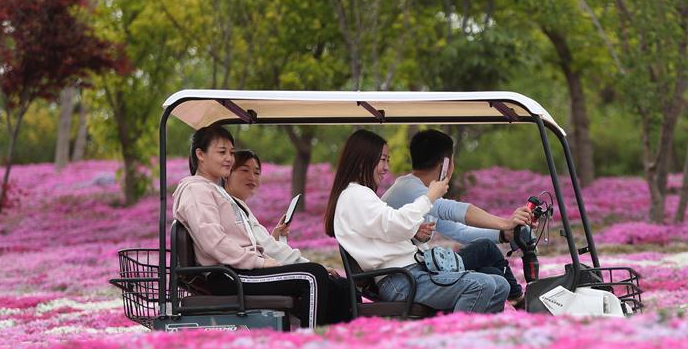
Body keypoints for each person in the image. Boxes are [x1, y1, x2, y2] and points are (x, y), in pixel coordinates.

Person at [324, 129, 525, 314]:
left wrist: (415, 235)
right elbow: (395, 223)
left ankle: (475, 340)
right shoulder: (356, 195)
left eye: (388, 160)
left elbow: (388, 230)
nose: (387, 167)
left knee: (500, 285)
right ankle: (454, 343)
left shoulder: (360, 195)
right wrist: (429, 197)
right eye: (383, 160)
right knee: (483, 284)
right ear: (362, 161)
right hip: (402, 280)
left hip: (412, 273)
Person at [172, 125, 342, 328]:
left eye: (231, 152)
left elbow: (243, 239)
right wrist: (259, 262)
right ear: (200, 154)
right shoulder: (196, 191)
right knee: (312, 276)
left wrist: (264, 257)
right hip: (229, 276)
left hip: (241, 270)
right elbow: (213, 241)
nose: (229, 158)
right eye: (221, 152)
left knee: (337, 286)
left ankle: (343, 343)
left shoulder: (218, 192)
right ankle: (308, 342)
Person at [381, 129, 529, 304]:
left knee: (494, 274)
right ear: (445, 165)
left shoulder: (420, 190)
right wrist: (505, 223)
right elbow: (453, 210)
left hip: (418, 268)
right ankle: (521, 302)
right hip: (405, 276)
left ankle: (516, 305)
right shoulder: (410, 189)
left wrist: (503, 234)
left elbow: (460, 232)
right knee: (486, 248)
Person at [222, 149, 353, 324]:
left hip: (253, 268)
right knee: (315, 275)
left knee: (342, 286)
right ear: (227, 173)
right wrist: (310, 264)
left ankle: (342, 339)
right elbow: (264, 248)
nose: (252, 177)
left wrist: (274, 237)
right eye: (244, 170)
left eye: (257, 172)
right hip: (239, 275)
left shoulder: (240, 207)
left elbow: (263, 245)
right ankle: (313, 338)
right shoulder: (230, 206)